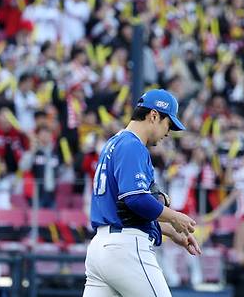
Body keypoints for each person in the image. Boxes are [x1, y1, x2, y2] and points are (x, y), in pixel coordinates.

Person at [83, 89, 201, 297]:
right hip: (126, 249)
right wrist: (174, 217)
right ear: (154, 116)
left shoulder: (113, 143)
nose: (168, 132)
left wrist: (169, 230)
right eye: (168, 124)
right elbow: (135, 199)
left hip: (100, 248)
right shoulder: (132, 145)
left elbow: (121, 207)